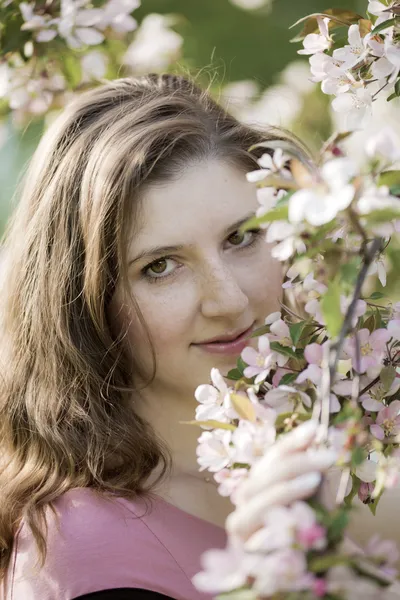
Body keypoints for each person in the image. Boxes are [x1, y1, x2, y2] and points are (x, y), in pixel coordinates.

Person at [0, 73, 398, 600]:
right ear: (84, 303)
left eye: (242, 237)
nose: (228, 300)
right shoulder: (85, 553)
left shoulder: (356, 452)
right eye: (161, 266)